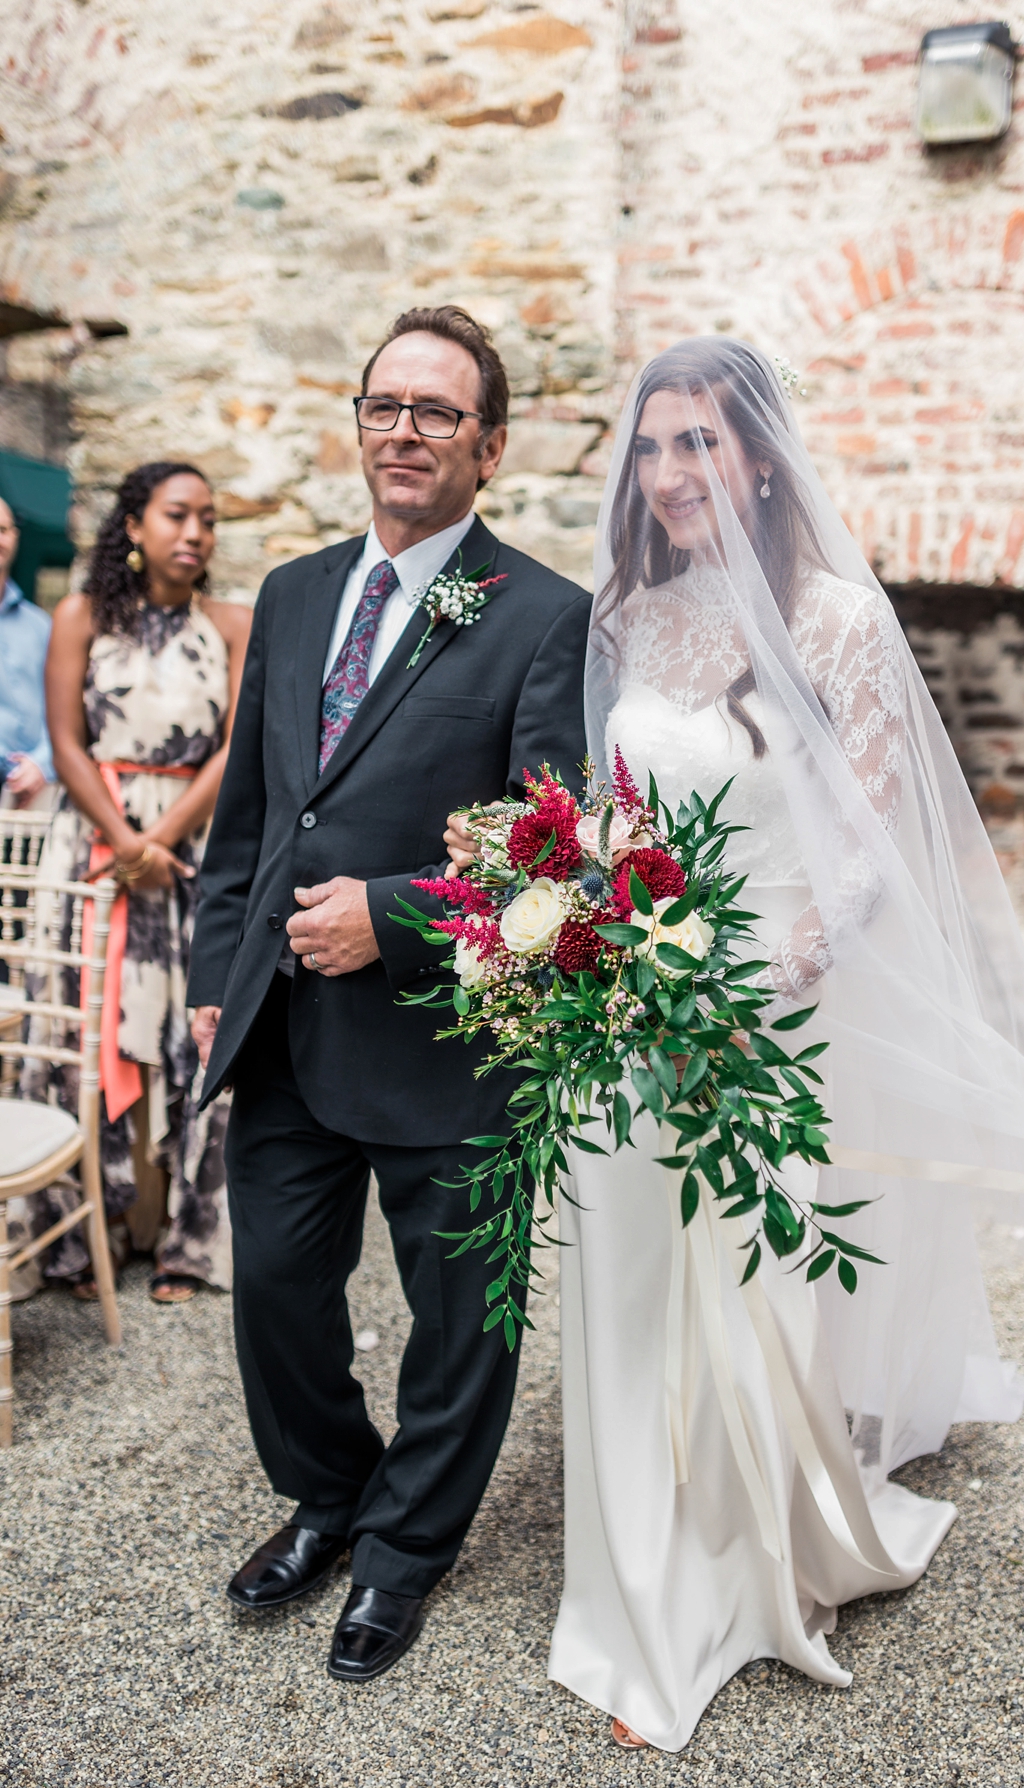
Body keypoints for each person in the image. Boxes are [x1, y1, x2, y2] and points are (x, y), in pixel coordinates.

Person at [452, 339, 1024, 1750]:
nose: (673, 473)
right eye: (655, 446)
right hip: (624, 1010)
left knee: (748, 1290)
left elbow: (861, 850)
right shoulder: (630, 606)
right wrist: (563, 926)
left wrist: (762, 975)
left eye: (702, 444)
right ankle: (635, 1588)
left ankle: (746, 1579)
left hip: (758, 1013)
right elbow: (610, 817)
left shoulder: (839, 618)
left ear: (758, 454)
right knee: (623, 1295)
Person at [186, 305, 589, 1684]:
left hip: (447, 1039)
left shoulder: (543, 614)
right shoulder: (295, 592)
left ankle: (407, 1555)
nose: (403, 432)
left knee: (462, 1320)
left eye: (436, 413)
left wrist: (397, 918)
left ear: (489, 448)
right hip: (284, 1025)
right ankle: (331, 1496)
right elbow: (250, 811)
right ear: (360, 423)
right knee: (277, 1292)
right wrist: (209, 972)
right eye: (385, 406)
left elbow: (558, 850)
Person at [21, 462, 249, 1303]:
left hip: (191, 849)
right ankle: (89, 1238)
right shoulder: (78, 616)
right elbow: (66, 741)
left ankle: (187, 1240)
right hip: (93, 849)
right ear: (134, 527)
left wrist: (161, 839)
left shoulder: (233, 623)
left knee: (198, 1034)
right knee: (90, 1027)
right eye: (179, 515)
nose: (196, 533)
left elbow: (235, 746)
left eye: (210, 520)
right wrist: (123, 841)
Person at [0, 494, 55, 810]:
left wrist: (41, 764)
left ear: (15, 537)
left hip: (27, 804)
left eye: (2, 529)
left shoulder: (41, 627)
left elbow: (65, 710)